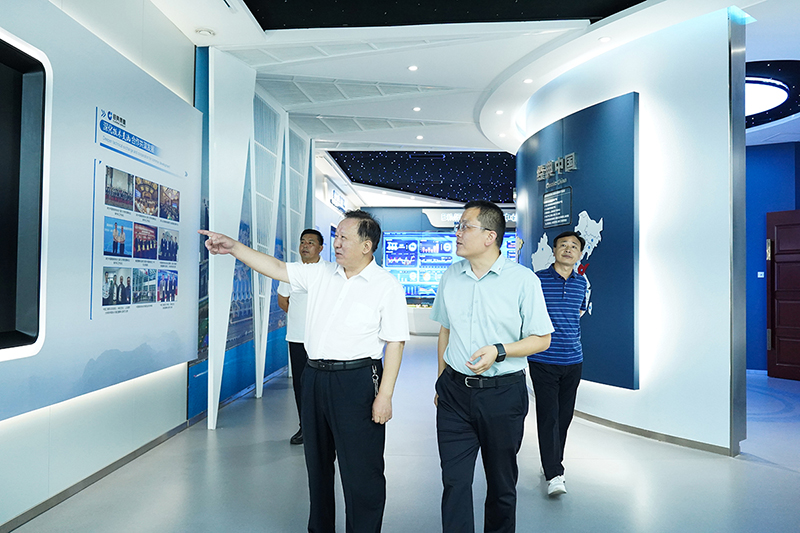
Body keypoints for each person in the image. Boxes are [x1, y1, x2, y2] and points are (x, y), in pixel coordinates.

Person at [199, 209, 408, 533]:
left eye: (344, 238)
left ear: (367, 246)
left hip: (357, 380)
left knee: (362, 471)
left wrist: (385, 395)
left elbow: (395, 342)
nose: (336, 243)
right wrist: (234, 247)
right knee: (317, 466)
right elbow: (277, 267)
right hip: (314, 377)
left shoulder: (386, 286)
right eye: (336, 236)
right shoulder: (320, 273)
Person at [431, 200, 553, 533]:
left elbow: (542, 339)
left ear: (490, 236)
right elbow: (445, 330)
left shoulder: (523, 280)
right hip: (454, 394)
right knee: (454, 482)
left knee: (501, 485)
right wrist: (441, 381)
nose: (457, 233)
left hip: (502, 395)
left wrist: (500, 350)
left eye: (465, 227)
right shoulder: (450, 276)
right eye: (458, 226)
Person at [529, 231, 588, 497]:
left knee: (564, 417)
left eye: (574, 246)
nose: (568, 249)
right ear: (553, 250)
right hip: (543, 359)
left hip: (573, 360)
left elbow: (578, 314)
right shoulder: (537, 280)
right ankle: (554, 473)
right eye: (563, 245)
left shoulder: (581, 283)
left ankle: (552, 462)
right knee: (548, 416)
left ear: (579, 254)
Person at [277, 229, 326, 445]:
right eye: (303, 242)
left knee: (323, 385)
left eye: (311, 242)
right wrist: (301, 319)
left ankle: (325, 428)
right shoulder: (291, 271)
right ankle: (304, 427)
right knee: (301, 384)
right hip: (297, 338)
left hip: (322, 339)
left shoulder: (329, 272)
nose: (305, 246)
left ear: (320, 248)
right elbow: (282, 300)